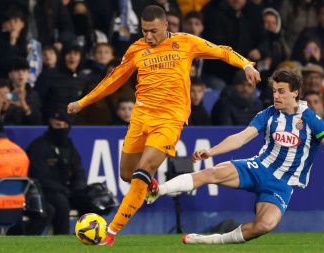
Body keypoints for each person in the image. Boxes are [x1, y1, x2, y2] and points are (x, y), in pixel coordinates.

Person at [67, 5, 260, 245]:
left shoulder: (185, 42)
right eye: (144, 31)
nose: (148, 36)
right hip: (140, 118)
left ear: (166, 25)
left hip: (170, 120)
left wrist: (246, 65)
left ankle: (111, 232)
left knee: (142, 172)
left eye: (153, 31)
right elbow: (113, 79)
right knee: (127, 173)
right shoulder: (137, 48)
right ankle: (151, 185)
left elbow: (221, 51)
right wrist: (82, 102)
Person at [147, 69, 324, 244]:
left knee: (265, 225)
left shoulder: (311, 120)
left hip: (282, 185)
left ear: (295, 93)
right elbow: (241, 138)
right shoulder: (268, 114)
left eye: (281, 92)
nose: (276, 96)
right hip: (258, 168)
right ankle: (159, 190)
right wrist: (212, 151)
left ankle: (210, 240)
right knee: (211, 173)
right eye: (274, 91)